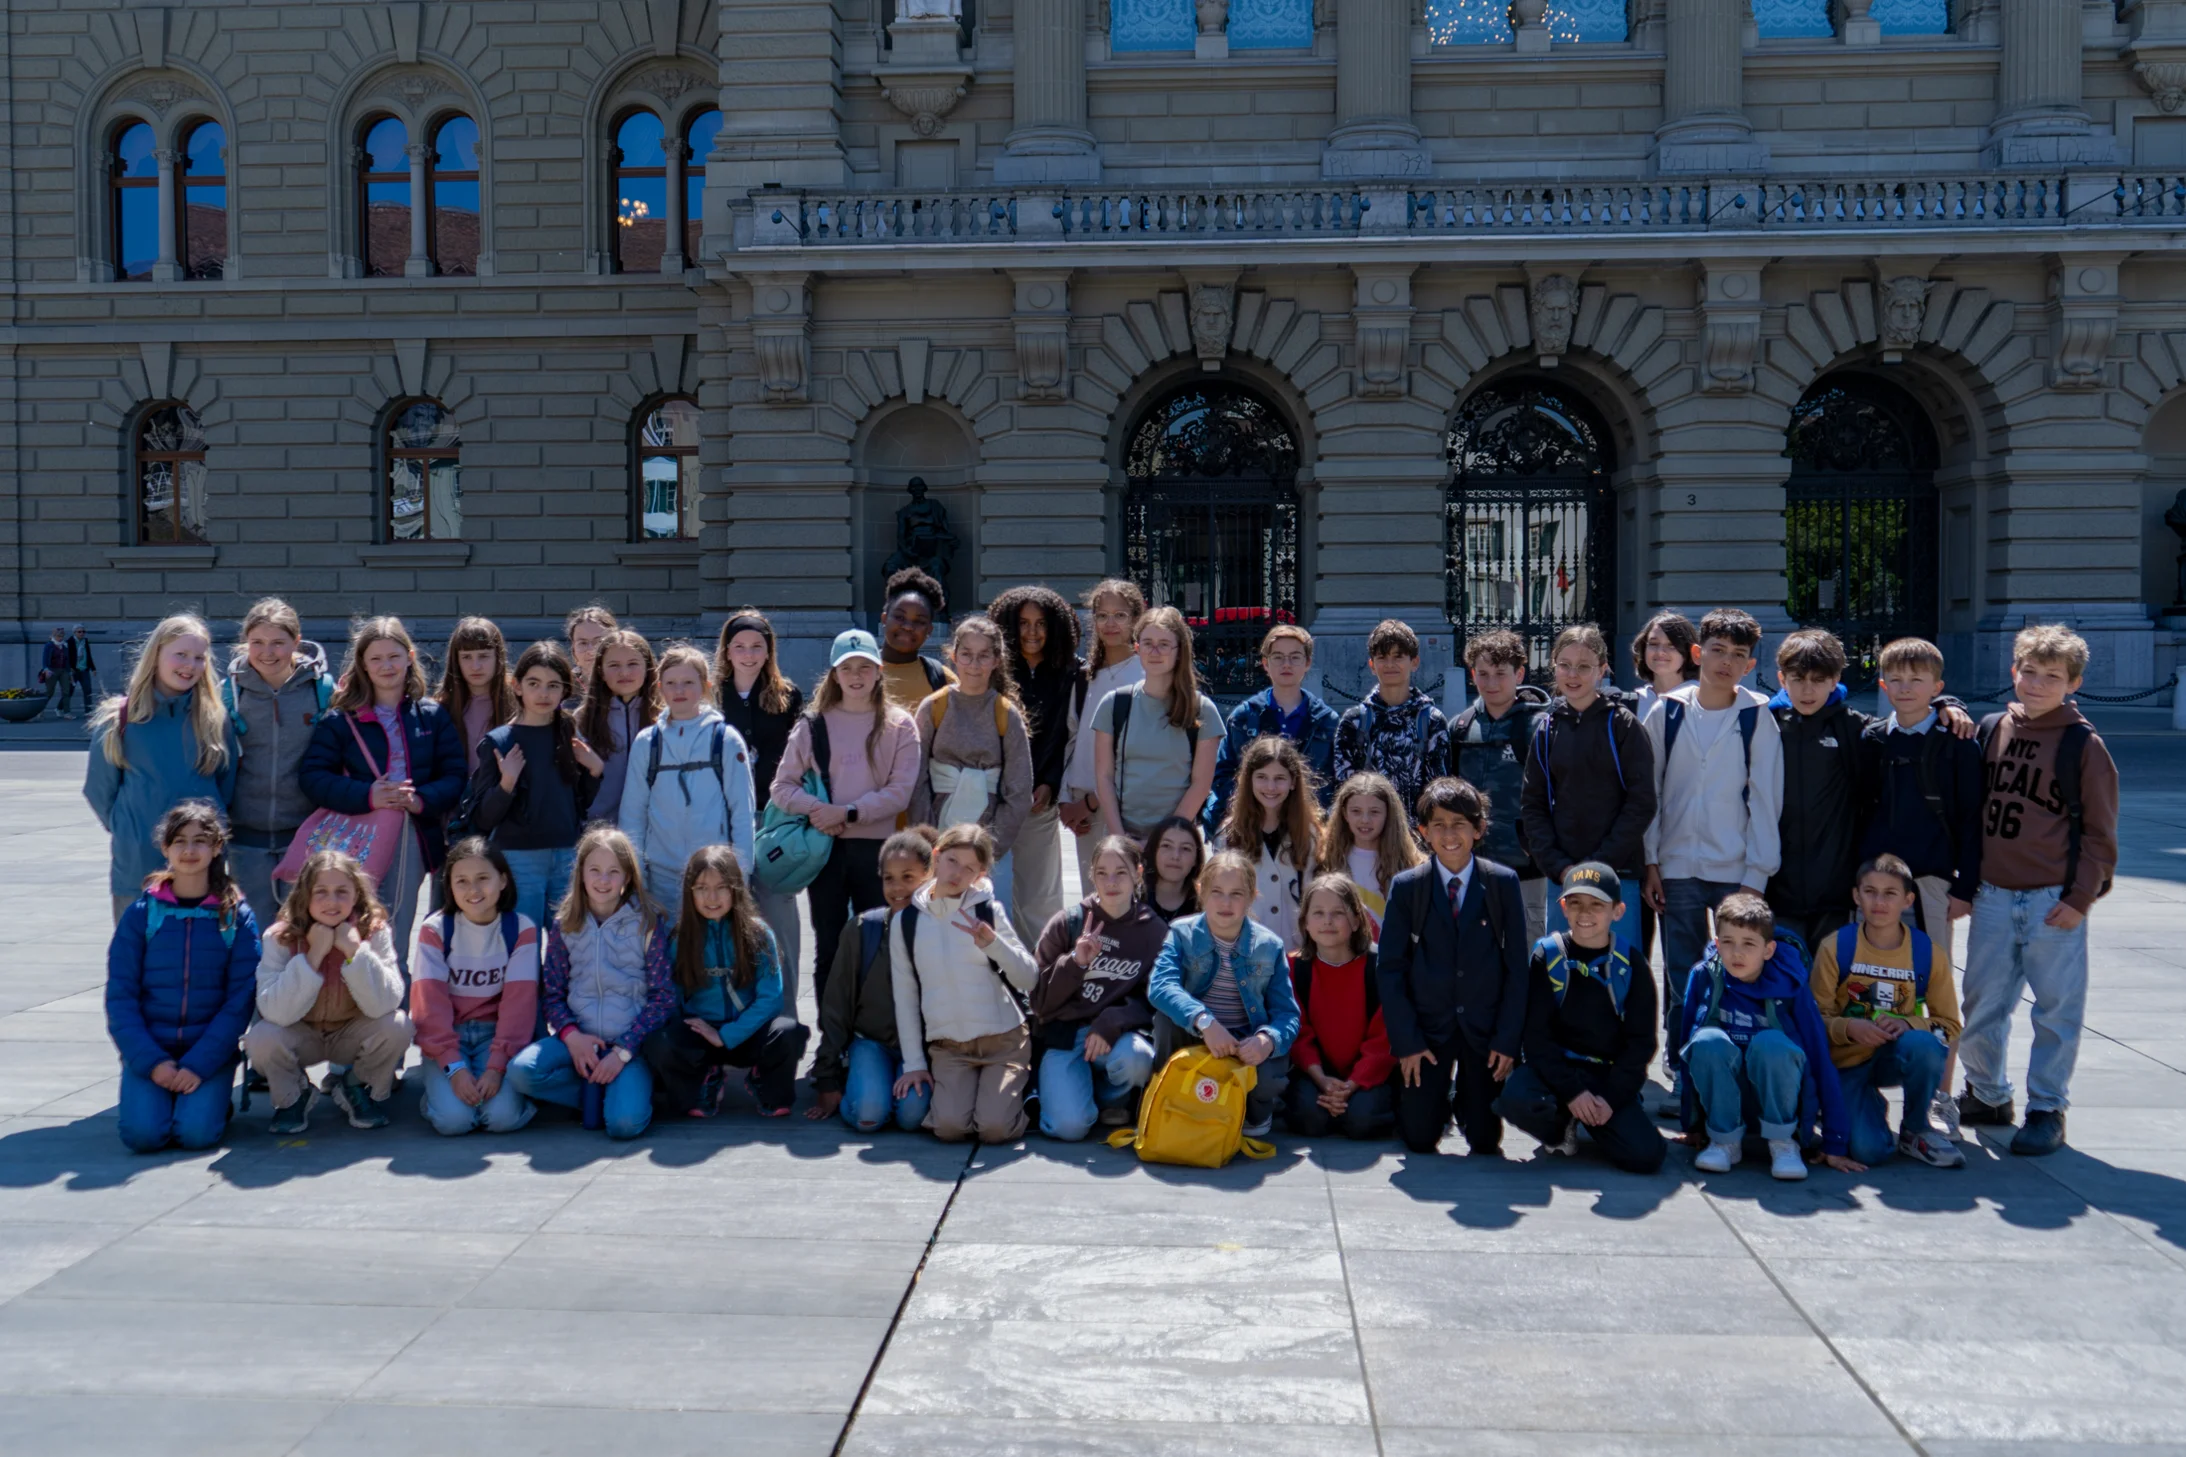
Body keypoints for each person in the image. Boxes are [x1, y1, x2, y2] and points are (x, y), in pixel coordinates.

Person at [1957, 625, 2118, 1158]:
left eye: (2052, 676)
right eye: (2029, 672)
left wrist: (2079, 900)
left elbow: (2099, 831)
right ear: (2013, 672)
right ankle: (1986, 1093)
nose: (2037, 683)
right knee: (1981, 1003)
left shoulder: (2082, 744)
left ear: (2072, 683)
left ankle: (2047, 1108)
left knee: (2055, 1011)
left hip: (2053, 899)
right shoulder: (1992, 728)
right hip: (1994, 894)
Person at [1640, 607, 1783, 1083]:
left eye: (1738, 655)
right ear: (1698, 653)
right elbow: (1651, 791)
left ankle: (1729, 1056)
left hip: (1734, 869)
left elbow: (1766, 800)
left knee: (1735, 969)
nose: (1725, 662)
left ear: (1749, 663)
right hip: (1677, 864)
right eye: (1717, 651)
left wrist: (1757, 877)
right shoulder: (1669, 711)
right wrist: (1651, 860)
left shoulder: (1757, 716)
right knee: (1681, 971)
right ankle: (1682, 1058)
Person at [298, 617, 467, 975]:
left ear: (409, 657)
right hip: (358, 836)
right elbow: (313, 777)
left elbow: (455, 775)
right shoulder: (340, 719)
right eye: (375, 659)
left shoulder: (432, 715)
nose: (386, 666)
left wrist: (420, 799)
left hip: (412, 836)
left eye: (393, 656)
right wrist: (368, 795)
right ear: (362, 664)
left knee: (396, 929)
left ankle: (394, 1012)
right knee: (350, 925)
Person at [1376, 778, 1530, 1157]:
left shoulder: (1502, 884)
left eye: (1460, 824)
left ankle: (1468, 1103)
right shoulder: (1408, 887)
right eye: (1439, 825)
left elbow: (1517, 970)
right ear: (1423, 832)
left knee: (1483, 1139)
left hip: (1483, 1031)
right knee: (1419, 1137)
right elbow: (1390, 969)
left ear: (1478, 830)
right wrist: (1407, 1042)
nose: (1450, 835)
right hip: (1428, 1033)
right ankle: (1434, 1101)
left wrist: (1507, 1040)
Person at [774, 629, 923, 996]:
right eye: (847, 668)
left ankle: (875, 1034)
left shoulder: (901, 724)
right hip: (826, 852)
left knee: (881, 944)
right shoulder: (812, 725)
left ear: (878, 671)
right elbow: (781, 787)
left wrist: (848, 813)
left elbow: (899, 793)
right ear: (834, 675)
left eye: (865, 667)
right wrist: (818, 810)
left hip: (880, 854)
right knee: (831, 946)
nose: (856, 676)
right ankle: (832, 1041)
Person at [105, 801, 259, 1153]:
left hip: (207, 1051)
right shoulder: (142, 914)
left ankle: (210, 1100)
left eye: (200, 841)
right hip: (152, 1049)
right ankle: (167, 1096)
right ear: (164, 848)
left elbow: (240, 999)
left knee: (196, 1136)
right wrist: (151, 1062)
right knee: (142, 1137)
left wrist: (201, 1063)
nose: (189, 851)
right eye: (179, 841)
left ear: (217, 846)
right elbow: (120, 997)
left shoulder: (236, 915)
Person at [1493, 863, 1666, 1173]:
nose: (1585, 914)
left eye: (1596, 905)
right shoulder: (1548, 956)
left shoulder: (1631, 963)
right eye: (1576, 904)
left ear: (1618, 910)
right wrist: (1572, 1092)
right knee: (1515, 1098)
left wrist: (1610, 1099)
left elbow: (1641, 1044)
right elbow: (1535, 1038)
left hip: (1606, 1076)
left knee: (1647, 1156)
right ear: (1563, 907)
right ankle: (1561, 1126)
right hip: (1558, 1070)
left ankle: (1596, 1119)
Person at [1675, 892, 1860, 1181]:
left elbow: (1819, 1057)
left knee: (1770, 1043)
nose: (1737, 953)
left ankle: (1783, 1143)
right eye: (1728, 942)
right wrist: (1692, 1124)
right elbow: (1686, 1051)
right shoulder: (1703, 977)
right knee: (1706, 1042)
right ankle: (1724, 1141)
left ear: (1769, 949)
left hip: (1780, 1099)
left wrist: (1835, 1140)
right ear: (1716, 943)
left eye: (1749, 944)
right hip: (1728, 1100)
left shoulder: (1791, 985)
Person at [507, 826, 675, 1139]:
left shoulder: (647, 922)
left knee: (623, 1125)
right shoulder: (565, 923)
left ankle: (624, 1093)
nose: (603, 880)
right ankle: (592, 1095)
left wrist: (623, 1051)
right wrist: (571, 1037)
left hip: (628, 1047)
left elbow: (663, 997)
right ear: (580, 873)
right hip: (578, 1042)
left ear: (627, 876)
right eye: (594, 870)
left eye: (614, 872)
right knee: (522, 1072)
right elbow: (553, 995)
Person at [1810, 855, 1964, 1168]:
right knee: (1870, 1152)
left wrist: (1909, 1023)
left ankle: (1916, 1128)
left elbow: (1949, 1025)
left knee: (1925, 1045)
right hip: (1847, 1062)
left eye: (1890, 893)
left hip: (1895, 1055)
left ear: (1908, 900)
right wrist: (1850, 1028)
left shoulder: (1927, 953)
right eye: (1870, 892)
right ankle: (1859, 1104)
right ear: (1856, 895)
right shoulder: (1836, 946)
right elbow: (1814, 1020)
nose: (1879, 902)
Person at [889, 823, 1039, 1144]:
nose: (957, 873)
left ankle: (1025, 1099)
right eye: (952, 861)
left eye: (969, 868)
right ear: (937, 857)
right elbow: (905, 997)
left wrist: (994, 944)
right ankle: (980, 1100)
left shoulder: (988, 912)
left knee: (994, 1129)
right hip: (950, 1050)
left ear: (980, 875)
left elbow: (1029, 976)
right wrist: (914, 1064)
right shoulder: (906, 922)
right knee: (949, 1128)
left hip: (1003, 1042)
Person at [85, 614, 239, 924]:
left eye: (199, 658)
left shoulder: (215, 720)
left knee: (198, 961)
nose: (190, 665)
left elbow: (227, 783)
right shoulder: (119, 720)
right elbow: (99, 791)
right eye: (180, 654)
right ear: (156, 655)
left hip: (202, 869)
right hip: (138, 868)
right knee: (137, 961)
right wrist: (132, 830)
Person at [244, 850, 413, 1133]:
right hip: (302, 1034)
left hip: (351, 1032)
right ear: (304, 895)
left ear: (357, 895)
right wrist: (312, 958)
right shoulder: (279, 936)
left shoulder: (375, 931)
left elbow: (386, 1003)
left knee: (398, 1025)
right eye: (320, 891)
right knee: (261, 1037)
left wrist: (355, 952)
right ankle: (292, 1097)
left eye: (341, 892)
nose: (331, 902)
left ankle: (356, 1085)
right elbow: (273, 1011)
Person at [1519, 625, 1656, 967]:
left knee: (1620, 975)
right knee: (1561, 978)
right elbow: (1532, 805)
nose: (1573, 674)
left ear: (1602, 669)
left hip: (1616, 876)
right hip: (1562, 880)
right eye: (1565, 665)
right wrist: (1559, 867)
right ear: (1553, 667)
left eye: (1584, 666)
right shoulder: (1547, 728)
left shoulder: (1623, 725)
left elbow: (1642, 803)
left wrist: (1600, 865)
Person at [642, 845, 809, 1118]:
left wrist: (726, 1035)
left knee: (790, 1032)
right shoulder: (679, 938)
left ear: (736, 889)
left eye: (721, 887)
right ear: (689, 892)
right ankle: (705, 1077)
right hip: (701, 1035)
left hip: (748, 1031)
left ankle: (761, 1079)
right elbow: (670, 996)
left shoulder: (759, 934)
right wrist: (694, 1031)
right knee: (657, 1041)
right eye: (701, 888)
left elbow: (771, 998)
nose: (712, 897)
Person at [1146, 850, 1299, 1139]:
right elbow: (1161, 986)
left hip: (1246, 1041)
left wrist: (1267, 1040)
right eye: (1217, 892)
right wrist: (1204, 1022)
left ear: (1252, 897)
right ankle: (1169, 1095)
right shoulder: (1181, 933)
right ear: (1201, 891)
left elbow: (1287, 1015)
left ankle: (1254, 1108)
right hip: (1198, 1035)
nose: (1226, 903)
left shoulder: (1270, 946)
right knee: (1165, 1019)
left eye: (1236, 894)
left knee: (1271, 1068)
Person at [1029, 835, 1162, 1140]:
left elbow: (1157, 1001)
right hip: (1064, 1035)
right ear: (1092, 876)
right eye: (1102, 873)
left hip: (1115, 1038)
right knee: (1069, 1128)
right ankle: (1070, 1090)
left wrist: (1113, 1020)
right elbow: (1038, 1002)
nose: (1111, 882)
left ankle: (1111, 1100)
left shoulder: (1153, 931)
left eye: (1121, 872)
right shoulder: (1068, 922)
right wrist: (1074, 962)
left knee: (1138, 1059)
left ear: (1138, 874)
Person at [466, 641, 604, 931]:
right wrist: (507, 783)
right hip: (519, 858)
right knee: (523, 942)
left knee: (568, 943)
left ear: (565, 690)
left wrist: (595, 769)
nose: (543, 693)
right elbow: (483, 817)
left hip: (566, 854)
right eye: (534, 683)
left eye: (553, 685)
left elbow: (578, 802)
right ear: (517, 686)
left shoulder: (569, 734)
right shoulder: (499, 742)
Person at [1860, 636, 1983, 957]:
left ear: (1937, 687)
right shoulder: (1872, 739)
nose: (1905, 688)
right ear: (1884, 686)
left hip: (1933, 877)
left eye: (1917, 680)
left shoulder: (1959, 742)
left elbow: (1972, 818)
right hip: (1876, 879)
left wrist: (1965, 888)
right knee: (1874, 967)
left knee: (1931, 969)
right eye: (1896, 680)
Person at [909, 614, 1035, 922]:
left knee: (987, 925)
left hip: (990, 845)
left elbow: (1019, 790)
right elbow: (916, 779)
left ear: (996, 660)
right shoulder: (933, 707)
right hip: (938, 838)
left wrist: (990, 848)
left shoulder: (1006, 714)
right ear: (953, 656)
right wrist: (929, 840)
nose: (974, 664)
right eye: (966, 654)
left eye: (983, 656)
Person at [410, 838, 539, 1136]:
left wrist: (496, 1067)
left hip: (494, 1036)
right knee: (454, 1122)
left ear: (503, 880)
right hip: (449, 1036)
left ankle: (520, 1098)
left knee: (501, 1119)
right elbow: (429, 1006)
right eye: (462, 881)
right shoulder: (436, 930)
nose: (473, 890)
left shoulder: (520, 929)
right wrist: (453, 1068)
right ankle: (435, 1095)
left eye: (483, 878)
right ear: (449, 886)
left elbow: (518, 1006)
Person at [810, 828, 936, 1132]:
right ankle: (866, 1089)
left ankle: (891, 1094)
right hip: (871, 1043)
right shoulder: (863, 929)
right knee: (868, 1116)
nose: (897, 888)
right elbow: (837, 1006)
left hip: (920, 1049)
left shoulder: (942, 930)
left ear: (930, 875)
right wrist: (827, 1078)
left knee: (912, 1117)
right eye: (888, 878)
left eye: (908, 877)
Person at [619, 645, 756, 928]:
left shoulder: (726, 740)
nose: (679, 690)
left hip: (715, 877)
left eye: (688, 683)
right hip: (661, 875)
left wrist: (740, 874)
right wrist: (637, 874)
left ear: (705, 687)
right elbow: (633, 812)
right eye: (671, 683)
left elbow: (742, 811)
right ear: (660, 688)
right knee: (666, 956)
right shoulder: (647, 743)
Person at [1430, 629, 1551, 940]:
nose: (1492, 683)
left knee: (1526, 955)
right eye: (1483, 674)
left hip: (1525, 868)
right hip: (1471, 866)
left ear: (1519, 673)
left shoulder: (1539, 727)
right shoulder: (1460, 727)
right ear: (1472, 675)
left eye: (1501, 673)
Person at [221, 599, 334, 931]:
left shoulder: (322, 691)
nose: (267, 652)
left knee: (303, 934)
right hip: (244, 840)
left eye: (278, 643)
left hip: (306, 837)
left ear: (296, 643)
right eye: (257, 642)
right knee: (251, 935)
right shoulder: (227, 693)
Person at [715, 609, 807, 1000]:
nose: (749, 654)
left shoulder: (789, 696)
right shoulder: (711, 694)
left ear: (769, 651)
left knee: (778, 914)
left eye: (757, 646)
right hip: (723, 819)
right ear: (727, 651)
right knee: (728, 915)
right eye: (740, 647)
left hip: (773, 819)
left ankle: (786, 1011)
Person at [1765, 628, 1873, 960]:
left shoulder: (1855, 728)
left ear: (1836, 679)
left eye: (1818, 679)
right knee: (1787, 980)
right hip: (1778, 888)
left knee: (1829, 988)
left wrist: (1946, 704)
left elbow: (1910, 727)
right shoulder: (1766, 723)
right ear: (1782, 679)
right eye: (1798, 679)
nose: (1807, 690)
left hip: (1834, 891)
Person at [988, 585, 1085, 941]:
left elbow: (1067, 737)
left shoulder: (1071, 673)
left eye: (1041, 623)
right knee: (992, 890)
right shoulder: (993, 671)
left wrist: (1049, 783)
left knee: (1040, 896)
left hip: (1039, 800)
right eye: (1023, 623)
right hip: (994, 798)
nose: (1032, 632)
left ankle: (1042, 972)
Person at [1094, 606, 1223, 841]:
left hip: (1176, 841)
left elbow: (1200, 785)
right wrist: (1120, 838)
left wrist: (1163, 841)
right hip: (1123, 838)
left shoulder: (1202, 710)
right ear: (1137, 648)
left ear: (1179, 651)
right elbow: (1103, 777)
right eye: (1148, 643)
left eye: (1164, 644)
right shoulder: (1113, 705)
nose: (1155, 651)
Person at [1283, 875, 1396, 1140]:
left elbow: (1384, 1038)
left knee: (1362, 1121)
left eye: (1338, 913)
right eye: (1318, 913)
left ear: (1357, 920)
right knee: (1310, 1119)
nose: (1327, 921)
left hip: (1367, 1072)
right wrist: (1321, 1080)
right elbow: (1298, 1033)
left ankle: (1347, 1106)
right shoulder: (1293, 968)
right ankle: (1334, 1107)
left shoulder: (1378, 967)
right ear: (1305, 923)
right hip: (1316, 1071)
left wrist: (1352, 1084)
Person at [1206, 624, 1340, 832]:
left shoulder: (1327, 721)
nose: (1286, 664)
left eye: (1295, 657)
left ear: (1307, 663)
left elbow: (1337, 780)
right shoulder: (1243, 717)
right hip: (1254, 826)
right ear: (1265, 663)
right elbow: (1222, 774)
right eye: (1278, 657)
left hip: (1309, 828)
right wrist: (1251, 805)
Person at [1059, 579, 1146, 892]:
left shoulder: (1144, 676)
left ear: (1137, 618)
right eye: (1102, 615)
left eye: (1120, 615)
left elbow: (1134, 756)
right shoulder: (1085, 677)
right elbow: (1073, 740)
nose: (1110, 624)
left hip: (1127, 810)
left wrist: (1090, 803)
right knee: (1093, 900)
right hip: (1084, 814)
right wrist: (1068, 800)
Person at [1333, 619, 1449, 824]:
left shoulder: (1432, 721)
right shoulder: (1354, 721)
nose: (1390, 665)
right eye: (1382, 657)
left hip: (1415, 838)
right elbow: (1344, 786)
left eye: (1398, 657)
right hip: (1366, 834)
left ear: (1414, 662)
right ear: (1372, 665)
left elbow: (1438, 788)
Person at [1217, 735, 1322, 952]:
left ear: (1293, 782)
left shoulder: (1311, 835)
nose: (1271, 787)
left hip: (1296, 953)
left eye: (1280, 778)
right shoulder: (1228, 836)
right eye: (1262, 777)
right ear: (1248, 780)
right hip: (1243, 954)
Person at [1315, 772, 1423, 940]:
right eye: (1356, 811)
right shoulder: (1325, 860)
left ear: (1388, 814)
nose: (1365, 820)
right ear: (1344, 813)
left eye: (1374, 812)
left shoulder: (1413, 864)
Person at [575, 629, 660, 830]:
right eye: (614, 666)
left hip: (655, 834)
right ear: (601, 672)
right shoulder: (582, 719)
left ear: (648, 668)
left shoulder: (665, 718)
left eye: (633, 664)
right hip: (597, 831)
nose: (624, 673)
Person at [437, 617, 516, 776]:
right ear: (456, 661)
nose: (475, 666)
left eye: (484, 656)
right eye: (466, 657)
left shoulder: (519, 702)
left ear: (497, 657)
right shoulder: (441, 709)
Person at [877, 566, 957, 712]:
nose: (908, 627)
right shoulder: (856, 672)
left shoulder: (943, 680)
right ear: (884, 618)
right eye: (900, 617)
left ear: (929, 630)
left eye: (919, 621)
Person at [1628, 610, 1700, 722]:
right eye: (1653, 644)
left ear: (1688, 652)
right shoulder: (1630, 703)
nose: (1660, 652)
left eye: (1671, 645)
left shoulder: (1703, 700)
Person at [1144, 814, 1204, 924]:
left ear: (1196, 858)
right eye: (1166, 846)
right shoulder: (1133, 901)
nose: (1175, 856)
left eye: (1185, 848)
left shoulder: (1205, 908)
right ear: (1154, 851)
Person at [563, 604, 619, 694]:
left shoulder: (629, 684)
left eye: (599, 642)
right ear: (573, 651)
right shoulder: (561, 689)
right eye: (583, 643)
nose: (591, 650)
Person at [40, 626, 73, 716]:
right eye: (58, 636)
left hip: (64, 670)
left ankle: (67, 712)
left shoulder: (65, 645)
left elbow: (67, 659)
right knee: (49, 691)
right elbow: (45, 658)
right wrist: (46, 669)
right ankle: (40, 710)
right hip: (52, 670)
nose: (60, 638)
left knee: (66, 691)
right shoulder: (49, 645)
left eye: (62, 636)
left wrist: (70, 673)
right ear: (54, 636)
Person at [69, 625, 100, 708]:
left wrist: (93, 668)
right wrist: (69, 668)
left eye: (83, 632)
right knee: (69, 691)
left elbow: (88, 655)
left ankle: (88, 710)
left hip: (84, 670)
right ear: (74, 633)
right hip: (74, 670)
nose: (82, 633)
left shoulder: (85, 642)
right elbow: (67, 657)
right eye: (79, 632)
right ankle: (60, 708)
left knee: (88, 691)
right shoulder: (69, 642)